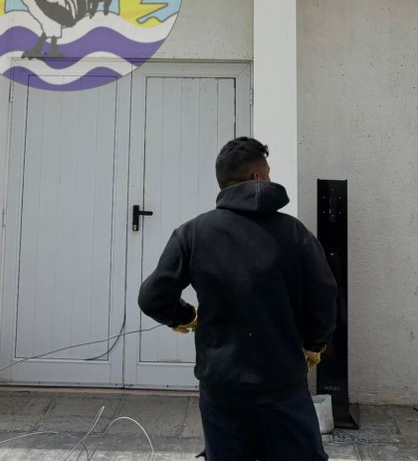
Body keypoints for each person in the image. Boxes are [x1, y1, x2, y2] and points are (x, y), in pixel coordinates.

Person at [138, 136, 339, 461]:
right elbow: (324, 296)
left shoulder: (194, 233)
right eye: (269, 173)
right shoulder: (294, 232)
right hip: (282, 380)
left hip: (221, 383)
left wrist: (185, 316)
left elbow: (152, 297)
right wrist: (314, 346)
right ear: (258, 178)